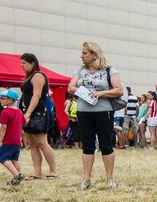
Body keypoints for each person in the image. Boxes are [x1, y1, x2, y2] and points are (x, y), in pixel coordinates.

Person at [68, 42, 122, 190]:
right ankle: (86, 179)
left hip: (103, 111)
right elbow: (70, 87)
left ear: (94, 54)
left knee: (106, 144)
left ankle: (110, 178)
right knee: (87, 145)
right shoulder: (80, 70)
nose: (82, 56)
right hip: (83, 111)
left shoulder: (109, 70)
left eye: (85, 53)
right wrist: (84, 93)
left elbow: (119, 90)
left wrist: (101, 93)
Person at [19, 53, 59, 179]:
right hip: (28, 113)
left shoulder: (38, 76)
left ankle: (53, 171)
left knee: (42, 143)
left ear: (32, 63)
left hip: (37, 114)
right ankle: (37, 172)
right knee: (33, 144)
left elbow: (36, 96)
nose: (22, 66)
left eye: (24, 63)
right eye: (21, 63)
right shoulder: (29, 77)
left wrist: (28, 113)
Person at [0, 89, 25, 186]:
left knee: (3, 158)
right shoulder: (19, 112)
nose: (0, 100)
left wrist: (0, 141)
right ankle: (16, 179)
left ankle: (17, 175)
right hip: (16, 140)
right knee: (14, 159)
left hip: (7, 140)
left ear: (10, 100)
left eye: (2, 98)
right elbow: (23, 122)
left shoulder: (5, 112)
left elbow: (3, 127)